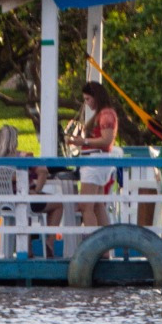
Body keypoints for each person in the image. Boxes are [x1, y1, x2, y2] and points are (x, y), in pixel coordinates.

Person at [66, 80, 120, 231]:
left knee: (86, 205)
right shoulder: (103, 114)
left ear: (96, 97)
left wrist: (84, 141)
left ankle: (94, 243)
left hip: (95, 162)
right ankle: (106, 246)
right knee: (97, 205)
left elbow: (107, 139)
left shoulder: (106, 115)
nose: (87, 103)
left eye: (88, 99)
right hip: (96, 162)